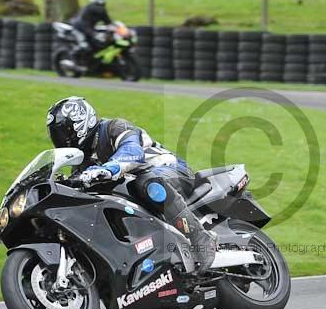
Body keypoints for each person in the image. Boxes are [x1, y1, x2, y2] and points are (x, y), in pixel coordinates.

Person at [46, 96, 217, 272]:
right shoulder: (82, 161)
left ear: (80, 122)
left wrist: (108, 168)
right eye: (56, 135)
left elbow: (132, 151)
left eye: (64, 132)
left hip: (169, 170)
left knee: (148, 184)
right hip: (137, 187)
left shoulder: (113, 127)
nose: (62, 139)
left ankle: (201, 239)